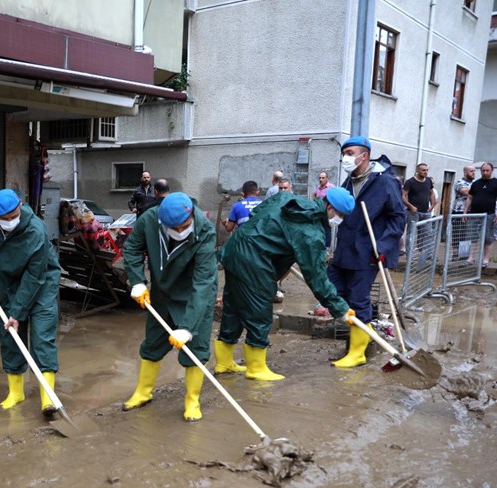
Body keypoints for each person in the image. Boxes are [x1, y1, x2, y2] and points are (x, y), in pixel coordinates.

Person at [215, 188, 355, 380]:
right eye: (340, 214)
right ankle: (256, 368)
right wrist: (340, 308)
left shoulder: (289, 200)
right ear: (329, 207)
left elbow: (257, 212)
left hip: (235, 249)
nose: (340, 219)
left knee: (233, 307)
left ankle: (224, 362)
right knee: (260, 310)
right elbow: (316, 277)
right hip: (254, 260)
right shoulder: (311, 232)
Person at [0, 188, 62, 416]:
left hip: (41, 282)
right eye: (4, 219)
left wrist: (17, 313)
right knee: (9, 336)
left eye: (13, 216)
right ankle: (16, 392)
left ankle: (48, 397)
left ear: (20, 205)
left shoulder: (35, 230)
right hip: (8, 283)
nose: (10, 221)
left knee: (42, 336)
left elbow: (35, 276)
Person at [122, 192, 217, 422]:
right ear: (162, 222)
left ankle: (192, 400)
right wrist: (137, 281)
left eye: (185, 226)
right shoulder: (149, 220)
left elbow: (203, 283)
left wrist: (187, 327)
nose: (181, 231)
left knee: (195, 349)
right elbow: (132, 248)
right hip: (162, 293)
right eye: (175, 228)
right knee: (153, 343)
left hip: (195, 296)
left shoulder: (204, 232)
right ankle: (143, 392)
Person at [328, 136, 406, 368]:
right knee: (334, 292)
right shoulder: (348, 182)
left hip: (368, 252)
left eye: (350, 153)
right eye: (344, 153)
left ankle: (357, 352)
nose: (346, 158)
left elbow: (398, 217)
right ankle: (362, 339)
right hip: (344, 250)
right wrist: (335, 218)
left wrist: (382, 246)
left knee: (359, 299)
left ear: (365, 155)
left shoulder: (384, 182)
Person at [464, 162, 497, 268]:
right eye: (483, 170)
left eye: (487, 170)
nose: (485, 172)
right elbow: (470, 198)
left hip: (489, 215)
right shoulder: (476, 183)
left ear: (492, 171)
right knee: (472, 236)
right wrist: (465, 211)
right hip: (474, 214)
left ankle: (485, 259)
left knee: (488, 238)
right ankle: (471, 257)